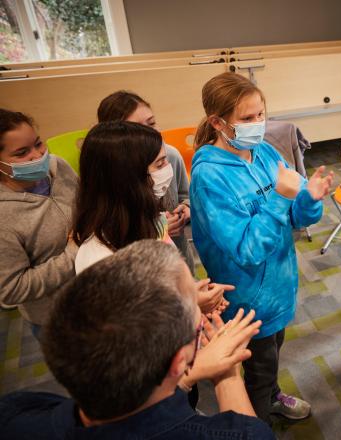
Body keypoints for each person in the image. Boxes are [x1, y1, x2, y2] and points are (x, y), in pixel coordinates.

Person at [0, 240, 274, 439]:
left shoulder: (15, 412)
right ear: (179, 360)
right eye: (197, 317)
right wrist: (228, 375)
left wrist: (185, 376)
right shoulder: (242, 434)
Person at [190, 72, 333, 424]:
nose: (258, 124)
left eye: (260, 115)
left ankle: (269, 396)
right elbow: (246, 249)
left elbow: (298, 216)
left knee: (270, 356)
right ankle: (258, 421)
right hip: (248, 298)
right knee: (257, 367)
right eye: (247, 118)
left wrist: (310, 199)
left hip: (279, 286)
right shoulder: (210, 177)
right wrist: (281, 198)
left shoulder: (265, 152)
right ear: (217, 122)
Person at [72, 121, 226, 324]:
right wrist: (190, 304)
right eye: (160, 164)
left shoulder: (151, 221)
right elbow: (133, 332)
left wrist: (189, 293)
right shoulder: (100, 261)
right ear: (127, 178)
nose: (168, 170)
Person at [0, 109, 78, 339]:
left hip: (96, 291)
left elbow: (86, 203)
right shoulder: (4, 216)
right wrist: (73, 253)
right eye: (22, 153)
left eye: (38, 144)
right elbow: (12, 289)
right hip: (57, 318)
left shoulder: (59, 166)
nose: (38, 156)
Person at [97, 90, 194, 271]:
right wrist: (158, 230)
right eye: (137, 128)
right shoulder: (111, 178)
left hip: (179, 259)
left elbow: (185, 195)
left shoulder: (170, 155)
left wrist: (186, 209)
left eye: (152, 123)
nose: (150, 132)